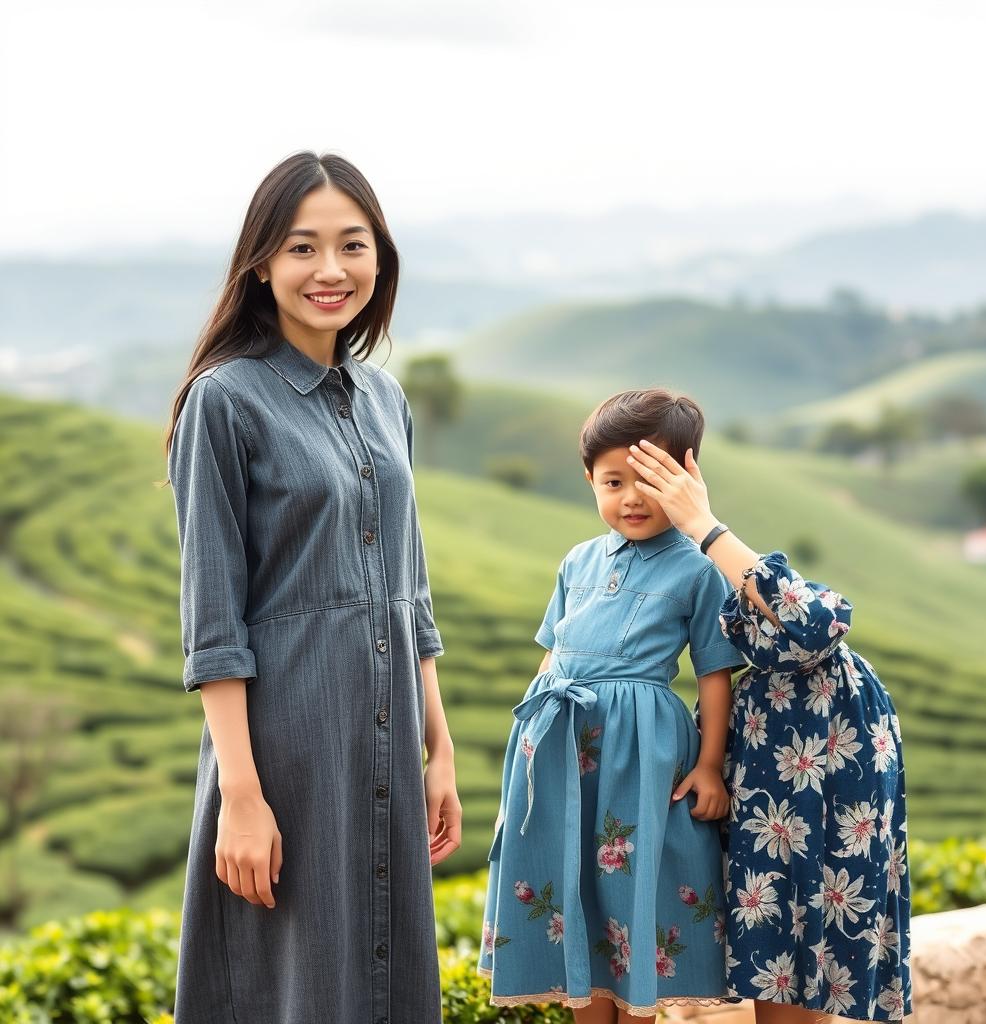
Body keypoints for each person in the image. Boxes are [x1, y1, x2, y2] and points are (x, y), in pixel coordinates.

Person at [163, 151, 461, 1024]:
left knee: (385, 977)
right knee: (288, 985)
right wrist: (243, 801)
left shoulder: (383, 397)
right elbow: (213, 624)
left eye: (352, 245)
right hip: (284, 752)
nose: (330, 271)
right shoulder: (225, 402)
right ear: (261, 262)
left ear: (381, 258)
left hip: (387, 735)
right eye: (302, 248)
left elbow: (411, 589)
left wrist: (437, 748)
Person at [477, 389, 747, 1022]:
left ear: (686, 479)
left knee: (628, 890)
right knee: (569, 888)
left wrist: (709, 766)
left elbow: (713, 674)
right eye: (613, 481)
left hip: (639, 751)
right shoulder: (577, 560)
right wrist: (528, 745)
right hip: (560, 743)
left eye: (650, 480)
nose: (631, 498)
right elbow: (552, 655)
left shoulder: (698, 570)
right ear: (590, 482)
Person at [624, 437, 913, 1023]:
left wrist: (704, 524)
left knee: (820, 953)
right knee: (771, 959)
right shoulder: (718, 609)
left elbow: (812, 624)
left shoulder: (805, 622)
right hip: (765, 780)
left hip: (835, 782)